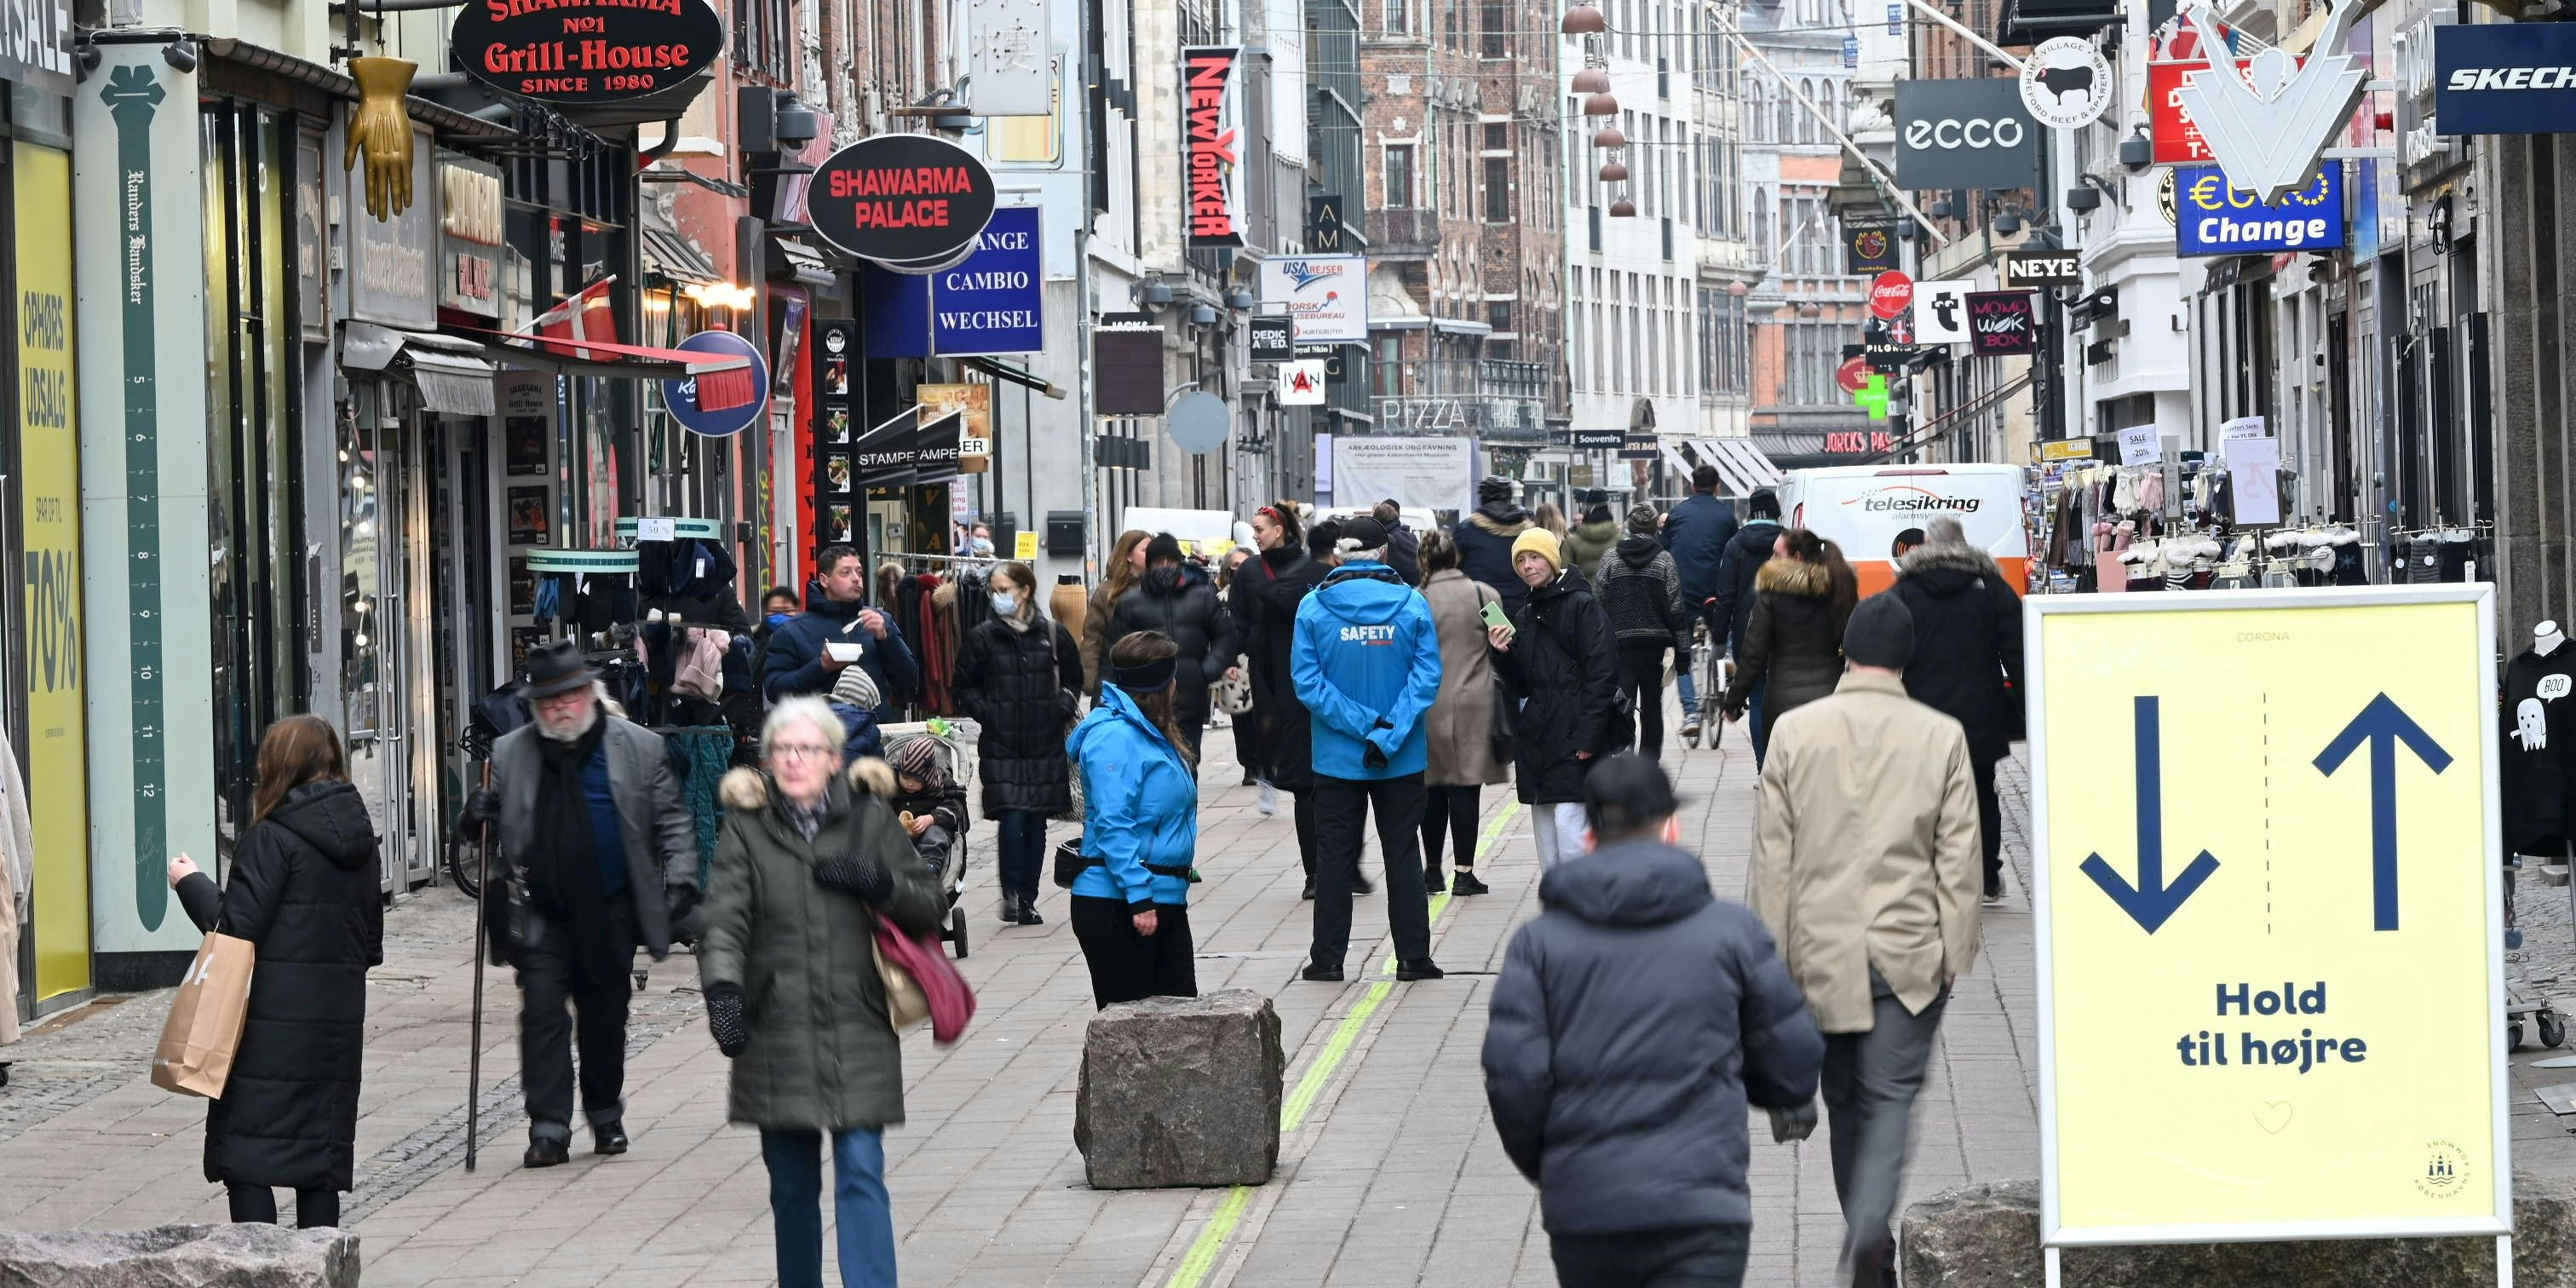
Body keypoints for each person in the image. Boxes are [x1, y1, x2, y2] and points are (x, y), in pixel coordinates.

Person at [1484, 754, 1824, 1288]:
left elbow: (1515, 1082)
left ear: (1590, 834)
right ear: (1670, 826)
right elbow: (1793, 1066)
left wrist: (1556, 1170)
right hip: (1702, 1209)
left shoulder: (1538, 945)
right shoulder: (1732, 933)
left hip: (1588, 1213)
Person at [1748, 595, 1981, 1288]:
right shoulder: (1941, 735)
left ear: (1845, 651)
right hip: (1908, 954)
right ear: (1907, 660)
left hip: (1819, 953)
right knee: (1891, 1099)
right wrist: (1954, 954)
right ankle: (1870, 1235)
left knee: (1846, 1100)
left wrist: (1768, 963)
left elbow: (1772, 860)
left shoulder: (1795, 731)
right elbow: (1959, 856)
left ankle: (1867, 1236)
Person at [701, 699, 945, 1288]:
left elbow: (930, 904)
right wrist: (725, 992)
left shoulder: (869, 821)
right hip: (775, 1030)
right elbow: (724, 921)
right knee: (791, 1186)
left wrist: (880, 882)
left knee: (861, 1169)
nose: (793, 760)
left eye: (807, 749)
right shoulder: (747, 829)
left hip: (857, 1024)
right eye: (782, 749)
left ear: (834, 759)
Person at [469, 641, 699, 1167]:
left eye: (570, 696)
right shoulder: (511, 752)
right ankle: (548, 1128)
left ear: (590, 694)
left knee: (604, 1015)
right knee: (544, 1015)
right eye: (549, 702)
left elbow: (671, 818)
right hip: (540, 905)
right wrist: (476, 813)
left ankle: (604, 1111)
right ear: (534, 707)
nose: (561, 709)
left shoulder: (636, 747)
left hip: (610, 905)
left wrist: (682, 876)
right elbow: (486, 827)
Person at [165, 716, 380, 1228]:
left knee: (249, 1159)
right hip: (335, 1026)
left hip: (267, 1026)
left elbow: (233, 931)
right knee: (318, 1166)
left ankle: (260, 1274)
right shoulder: (361, 839)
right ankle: (323, 1273)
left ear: (276, 767)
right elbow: (370, 943)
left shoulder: (272, 838)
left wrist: (190, 882)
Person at [1291, 516, 1446, 983]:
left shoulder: (1313, 609)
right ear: (1383, 553)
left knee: (1335, 857)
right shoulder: (1413, 606)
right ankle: (1414, 956)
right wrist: (1387, 731)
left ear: (1338, 555)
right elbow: (1426, 679)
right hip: (1399, 755)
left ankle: (1329, 958)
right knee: (1402, 853)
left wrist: (1362, 725)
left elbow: (1307, 683)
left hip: (1337, 759)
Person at [1889, 515, 2026, 905]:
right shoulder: (1990, 587)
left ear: (1928, 546)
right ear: (1963, 543)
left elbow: (1888, 645)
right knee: (1981, 791)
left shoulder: (1907, 589)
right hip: (1979, 710)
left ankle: (1934, 875)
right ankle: (1986, 876)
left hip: (1923, 713)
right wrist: (2028, 703)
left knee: (1928, 794)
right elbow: (2017, 648)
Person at [1067, 632, 1203, 1008]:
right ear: (1162, 684)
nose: (1177, 685)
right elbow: (1113, 823)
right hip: (1121, 903)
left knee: (1179, 1026)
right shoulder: (1116, 737)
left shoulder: (1151, 732)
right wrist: (1139, 896)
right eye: (1173, 677)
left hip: (1160, 897)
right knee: (1134, 1038)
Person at [951, 560, 1083, 925]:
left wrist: (1062, 706)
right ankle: (1010, 893)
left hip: (1044, 740)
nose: (997, 596)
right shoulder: (982, 636)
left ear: (1025, 590)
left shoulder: (1052, 633)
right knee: (1012, 817)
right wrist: (987, 712)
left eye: (1004, 589)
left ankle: (1028, 897)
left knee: (1036, 822)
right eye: (994, 589)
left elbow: (1074, 679)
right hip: (1002, 741)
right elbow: (963, 686)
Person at [1488, 528, 1621, 871]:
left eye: (1534, 557)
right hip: (1539, 733)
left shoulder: (1582, 605)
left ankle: (1582, 905)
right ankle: (1559, 905)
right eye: (1521, 560)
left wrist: (1590, 735)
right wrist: (1502, 653)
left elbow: (1603, 672)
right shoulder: (1526, 613)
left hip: (1575, 728)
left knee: (1571, 825)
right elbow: (1522, 684)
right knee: (1546, 829)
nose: (1528, 566)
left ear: (1551, 558)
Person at [1233, 504, 1341, 893]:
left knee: (1306, 787)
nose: (1256, 535)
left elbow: (1247, 630)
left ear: (1280, 530)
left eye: (1261, 528)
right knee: (1331, 785)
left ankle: (1317, 873)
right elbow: (1242, 627)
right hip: (1322, 692)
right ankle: (1333, 869)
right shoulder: (1325, 580)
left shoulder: (1281, 582)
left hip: (1288, 689)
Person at [1417, 530, 1505, 897]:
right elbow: (1505, 638)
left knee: (1432, 789)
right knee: (1466, 788)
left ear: (1423, 561)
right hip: (1474, 701)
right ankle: (1464, 872)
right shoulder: (1483, 594)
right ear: (1456, 557)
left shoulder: (1417, 600)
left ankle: (1432, 870)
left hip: (1429, 704)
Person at [1722, 528, 1859, 761]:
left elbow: (1754, 655)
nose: (1771, 560)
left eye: (1776, 554)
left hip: (1782, 706)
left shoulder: (1771, 595)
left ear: (1796, 558)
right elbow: (1853, 644)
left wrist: (1733, 702)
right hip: (1830, 701)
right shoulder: (1839, 590)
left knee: (1785, 778)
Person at [1107, 533, 1240, 758]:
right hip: (1146, 697)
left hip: (1190, 692)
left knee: (1189, 757)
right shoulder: (1131, 603)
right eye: (1158, 562)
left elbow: (1225, 637)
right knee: (1153, 757)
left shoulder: (1201, 596)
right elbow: (1113, 652)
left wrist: (1204, 672)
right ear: (1149, 565)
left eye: (1170, 561)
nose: (1165, 567)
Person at [762, 545, 919, 726]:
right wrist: (821, 667)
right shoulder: (793, 630)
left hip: (873, 738)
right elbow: (774, 689)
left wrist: (886, 638)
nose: (856, 579)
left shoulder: (880, 620)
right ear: (824, 580)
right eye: (846, 573)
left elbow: (909, 679)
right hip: (818, 739)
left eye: (859, 572)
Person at [1595, 504, 1693, 762]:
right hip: (1653, 648)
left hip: (1619, 646)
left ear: (1628, 527)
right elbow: (1677, 611)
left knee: (1621, 704)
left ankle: (1623, 756)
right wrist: (1683, 653)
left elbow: (1598, 602)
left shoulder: (1611, 559)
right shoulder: (1664, 560)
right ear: (1655, 529)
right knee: (1652, 707)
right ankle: (1649, 764)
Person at [1659, 468, 1738, 745]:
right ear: (1717, 487)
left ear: (1692, 487)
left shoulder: (1678, 514)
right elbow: (1733, 551)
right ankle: (1727, 656)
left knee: (1682, 650)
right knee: (1724, 623)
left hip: (1684, 588)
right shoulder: (1727, 516)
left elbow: (1663, 549)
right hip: (1716, 587)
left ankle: (1691, 714)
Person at [1707, 487, 1785, 749]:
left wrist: (1719, 637)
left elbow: (1725, 595)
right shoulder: (1788, 540)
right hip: (1788, 629)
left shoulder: (1736, 544)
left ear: (1751, 512)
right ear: (1777, 512)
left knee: (1759, 698)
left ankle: (1762, 767)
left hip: (1747, 630)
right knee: (1785, 700)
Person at [885, 733, 969, 893]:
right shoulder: (891, 784)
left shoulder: (941, 786)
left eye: (917, 781)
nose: (910, 784)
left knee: (935, 835)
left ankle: (929, 870)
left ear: (928, 778)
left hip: (932, 828)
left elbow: (956, 808)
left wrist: (932, 818)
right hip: (899, 835)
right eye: (905, 777)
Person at [1454, 475, 1538, 618]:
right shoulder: (1527, 531)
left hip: (1481, 609)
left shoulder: (1467, 530)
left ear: (1482, 498)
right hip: (1520, 609)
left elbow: (1452, 569)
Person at [1082, 529, 1152, 695]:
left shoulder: (1157, 589)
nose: (1150, 555)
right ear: (1129, 556)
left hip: (1150, 679)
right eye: (1144, 550)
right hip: (1114, 679)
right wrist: (1091, 681)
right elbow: (1093, 638)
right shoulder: (1107, 591)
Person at [1561, 491, 1620, 582]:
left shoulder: (1572, 542)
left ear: (1587, 509)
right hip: (1613, 593)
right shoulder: (1621, 540)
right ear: (1608, 508)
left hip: (1582, 593)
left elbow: (1564, 575)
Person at [1373, 499, 1423, 586]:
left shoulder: (1388, 540)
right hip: (1416, 586)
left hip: (1398, 588)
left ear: (1379, 522)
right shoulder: (1410, 536)